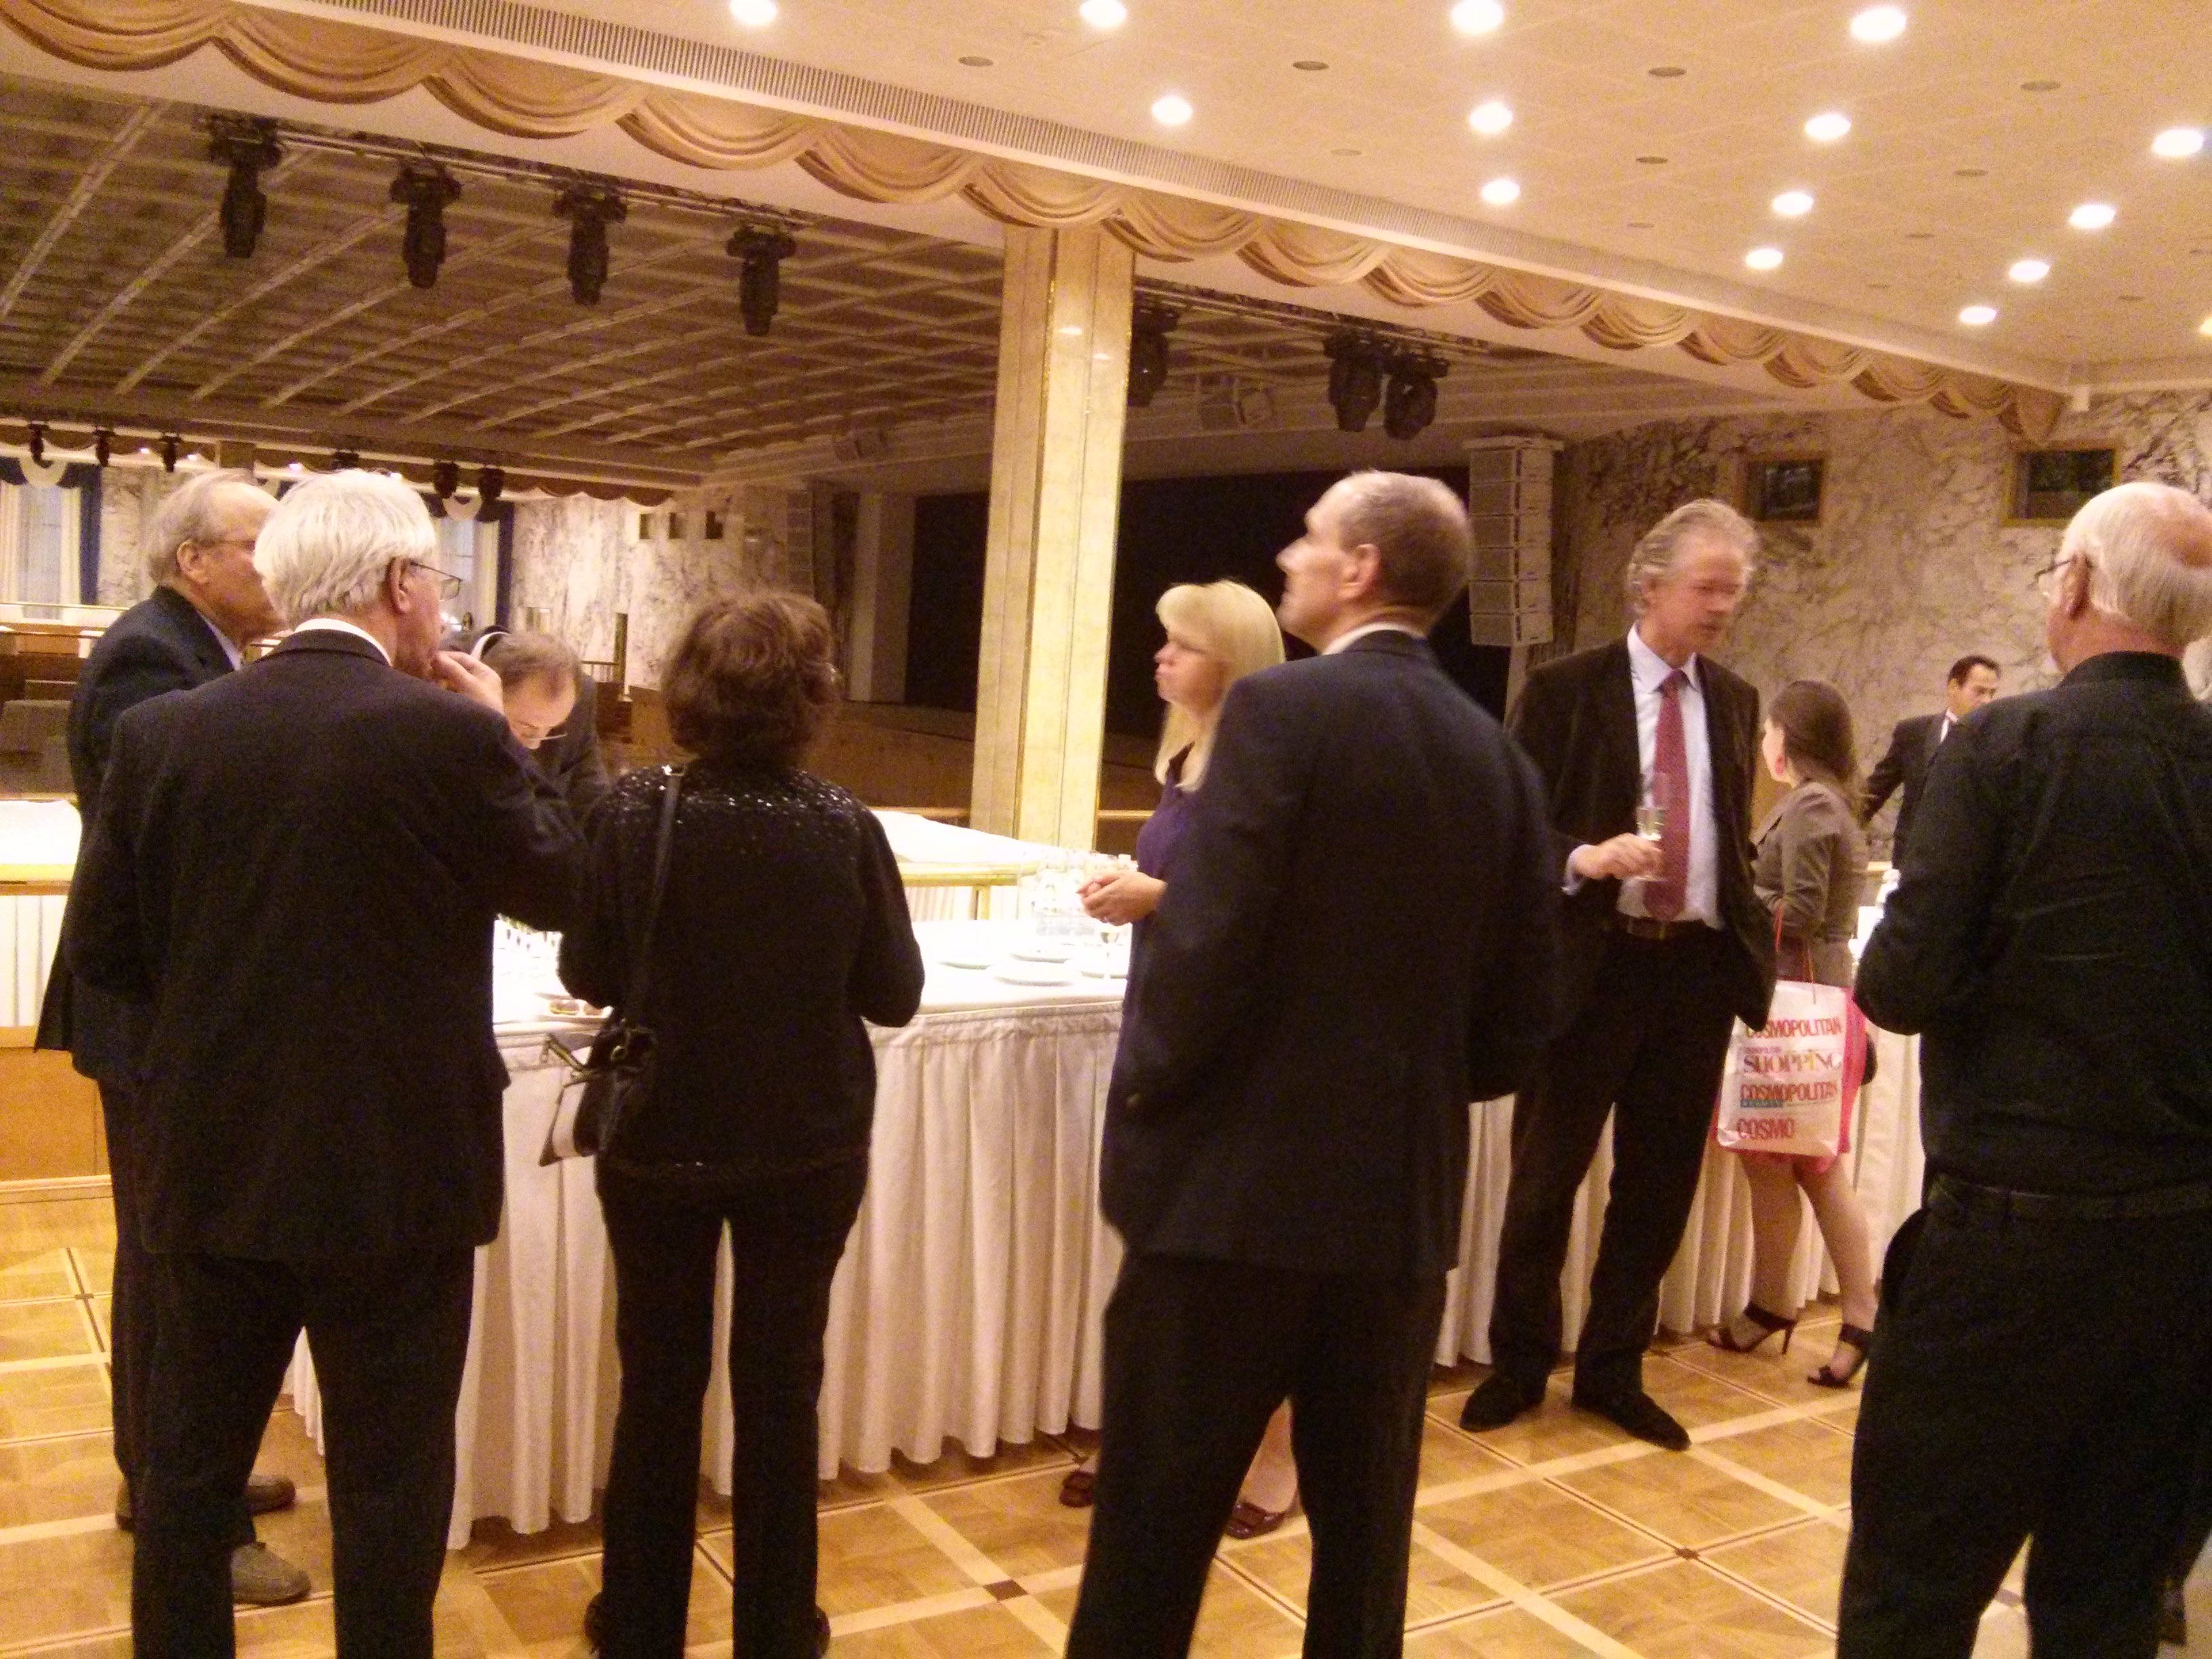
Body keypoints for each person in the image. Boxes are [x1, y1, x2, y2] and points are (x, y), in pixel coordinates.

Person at [64, 470, 583, 1657]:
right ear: (400, 584)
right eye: (436, 579)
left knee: (188, 1473)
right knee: (391, 1480)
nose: (442, 603)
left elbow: (107, 952)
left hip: (214, 1154)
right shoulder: (451, 733)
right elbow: (566, 888)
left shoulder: (164, 732)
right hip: (398, 1169)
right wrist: (505, 733)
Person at [1065, 472, 1561, 1658]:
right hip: (1395, 1215)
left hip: (1230, 1203)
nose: (1289, 555)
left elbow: (1204, 944)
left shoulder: (1279, 710)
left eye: (1309, 537)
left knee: (1149, 1543)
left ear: (1360, 569)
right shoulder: (1497, 757)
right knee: (1363, 1552)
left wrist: (1153, 1117)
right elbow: (1517, 1023)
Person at [1837, 480, 2212, 1657]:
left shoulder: (2001, 747)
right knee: (2107, 1602)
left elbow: (1898, 984)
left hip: (2005, 1247)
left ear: (2078, 586)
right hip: (2183, 1256)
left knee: (1910, 1594)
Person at [558, 592, 924, 1659]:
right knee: (780, 1391)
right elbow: (895, 994)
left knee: (658, 1384)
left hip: (660, 1132)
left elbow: (587, 969)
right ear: (811, 698)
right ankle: (777, 1627)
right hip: (806, 1144)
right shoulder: (841, 823)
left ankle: (640, 1624)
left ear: (689, 690)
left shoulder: (636, 810)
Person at [30, 468, 310, 1607]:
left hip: (166, 1006)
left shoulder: (198, 649)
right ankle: (173, 1506)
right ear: (193, 559)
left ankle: (180, 1479)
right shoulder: (152, 657)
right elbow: (164, 850)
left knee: (170, 1255)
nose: (273, 565)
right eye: (254, 544)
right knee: (170, 1264)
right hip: (155, 1010)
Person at [1462, 498, 1775, 1452]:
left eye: (1734, 591)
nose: (1723, 607)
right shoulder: (1565, 691)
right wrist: (1584, 857)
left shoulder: (1735, 699)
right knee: (1544, 1181)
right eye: (1708, 587)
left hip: (1695, 973)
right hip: (1591, 971)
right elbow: (1506, 824)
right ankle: (1521, 1363)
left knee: (1658, 1187)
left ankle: (1613, 1370)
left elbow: (1728, 828)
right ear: (1649, 586)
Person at [1061, 579, 1292, 1534]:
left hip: (1231, 1043)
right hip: (1164, 1019)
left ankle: (1276, 1456)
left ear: (1233, 664)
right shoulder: (1188, 756)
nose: (1161, 658)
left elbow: (1277, 913)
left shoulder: (1266, 763)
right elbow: (1192, 878)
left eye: (1183, 645)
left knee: (1245, 1261)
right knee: (1157, 1250)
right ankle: (1142, 1431)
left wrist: (1154, 897)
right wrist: (1133, 886)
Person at [1706, 679, 1878, 1388]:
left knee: (1812, 1165)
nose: (1764, 744)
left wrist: (1730, 893)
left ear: (1790, 736)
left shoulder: (1811, 803)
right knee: (1773, 1161)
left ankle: (1859, 1315)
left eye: (1770, 731)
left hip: (1800, 1010)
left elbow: (1799, 913)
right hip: (1807, 1005)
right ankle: (1774, 1303)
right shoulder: (1826, 799)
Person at [1860, 653, 1999, 864]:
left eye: (1992, 693)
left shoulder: (2002, 738)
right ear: (1954, 687)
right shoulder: (1913, 733)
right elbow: (1875, 792)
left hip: (1974, 863)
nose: (1987, 701)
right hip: (1914, 859)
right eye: (1979, 692)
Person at [460, 623, 613, 817]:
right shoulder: (434, 680)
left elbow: (591, 797)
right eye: (525, 727)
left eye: (553, 728)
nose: (536, 745)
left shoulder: (580, 698)